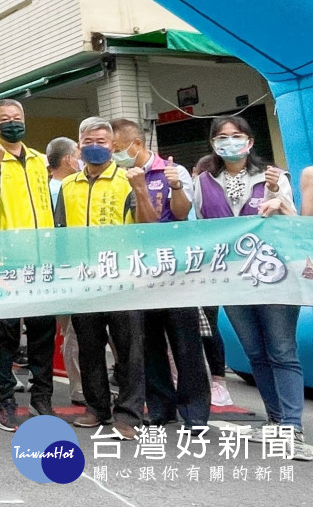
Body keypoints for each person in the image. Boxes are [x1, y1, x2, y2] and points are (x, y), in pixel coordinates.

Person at [191, 116, 311, 460]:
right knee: (256, 352)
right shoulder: (202, 182)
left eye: (236, 135)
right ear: (213, 143)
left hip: (275, 277)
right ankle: (276, 421)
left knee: (281, 350)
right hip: (232, 280)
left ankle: (292, 427)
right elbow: (198, 230)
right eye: (222, 136)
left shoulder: (274, 177)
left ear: (250, 141)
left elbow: (294, 227)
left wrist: (277, 197)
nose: (229, 142)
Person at [54, 116, 158, 441]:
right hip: (83, 279)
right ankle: (97, 407)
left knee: (129, 349)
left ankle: (127, 415)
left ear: (112, 146)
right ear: (78, 146)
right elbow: (58, 234)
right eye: (88, 142)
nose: (95, 147)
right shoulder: (68, 186)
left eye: (101, 141)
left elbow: (149, 227)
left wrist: (141, 189)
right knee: (89, 346)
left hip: (123, 277)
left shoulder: (128, 180)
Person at [109, 118, 209, 430]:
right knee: (149, 343)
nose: (113, 155)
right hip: (139, 271)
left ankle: (194, 411)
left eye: (115, 149)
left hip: (174, 269)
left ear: (134, 145)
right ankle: (162, 407)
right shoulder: (117, 177)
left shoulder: (170, 171)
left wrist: (175, 185)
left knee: (185, 341)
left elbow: (180, 212)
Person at [0, 99, 55, 431]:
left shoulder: (38, 161)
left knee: (41, 333)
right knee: (2, 335)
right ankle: (4, 399)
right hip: (1, 263)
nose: (12, 123)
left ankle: (42, 397)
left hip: (40, 259)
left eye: (17, 118)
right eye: (4, 119)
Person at [44, 136, 84, 407]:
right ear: (69, 159)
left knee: (69, 328)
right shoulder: (67, 187)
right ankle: (79, 387)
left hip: (54, 266)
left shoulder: (42, 187)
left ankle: (78, 385)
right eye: (78, 153)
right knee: (75, 330)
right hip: (71, 264)